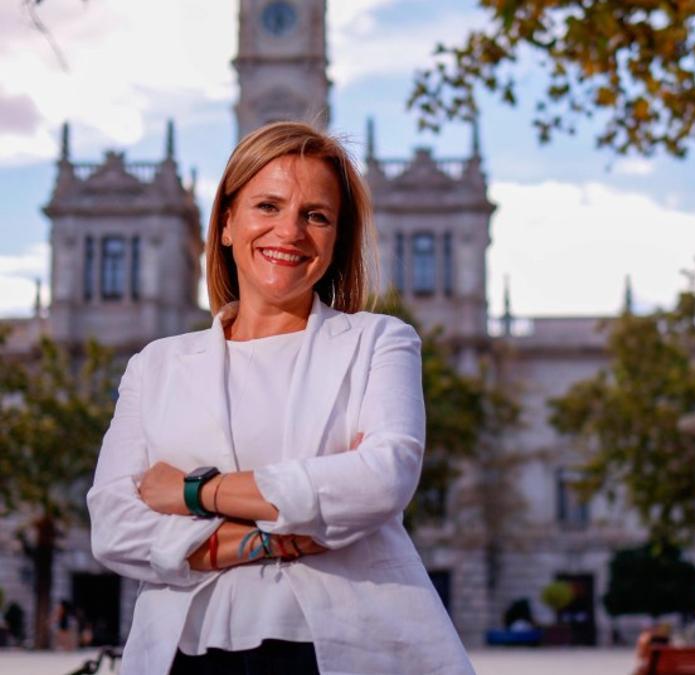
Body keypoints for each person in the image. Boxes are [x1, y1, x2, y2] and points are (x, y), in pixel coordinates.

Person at [87, 122, 474, 674]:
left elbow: (383, 478)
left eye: (316, 215)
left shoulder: (379, 341)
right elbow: (114, 526)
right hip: (182, 653)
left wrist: (195, 492)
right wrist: (290, 534)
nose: (289, 231)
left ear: (337, 239)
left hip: (336, 648)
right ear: (224, 224)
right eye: (267, 206)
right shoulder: (157, 366)